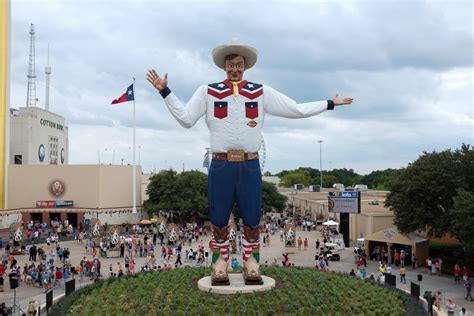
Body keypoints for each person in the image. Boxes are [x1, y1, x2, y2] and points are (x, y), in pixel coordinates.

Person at [147, 38, 352, 285]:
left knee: (252, 216)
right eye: (230, 64)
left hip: (250, 164)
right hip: (221, 163)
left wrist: (329, 103)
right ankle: (219, 262)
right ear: (223, 66)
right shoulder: (208, 91)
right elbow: (186, 118)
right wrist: (165, 92)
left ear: (246, 66)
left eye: (239, 64)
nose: (235, 68)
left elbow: (295, 109)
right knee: (219, 215)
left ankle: (251, 262)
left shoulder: (260, 91)